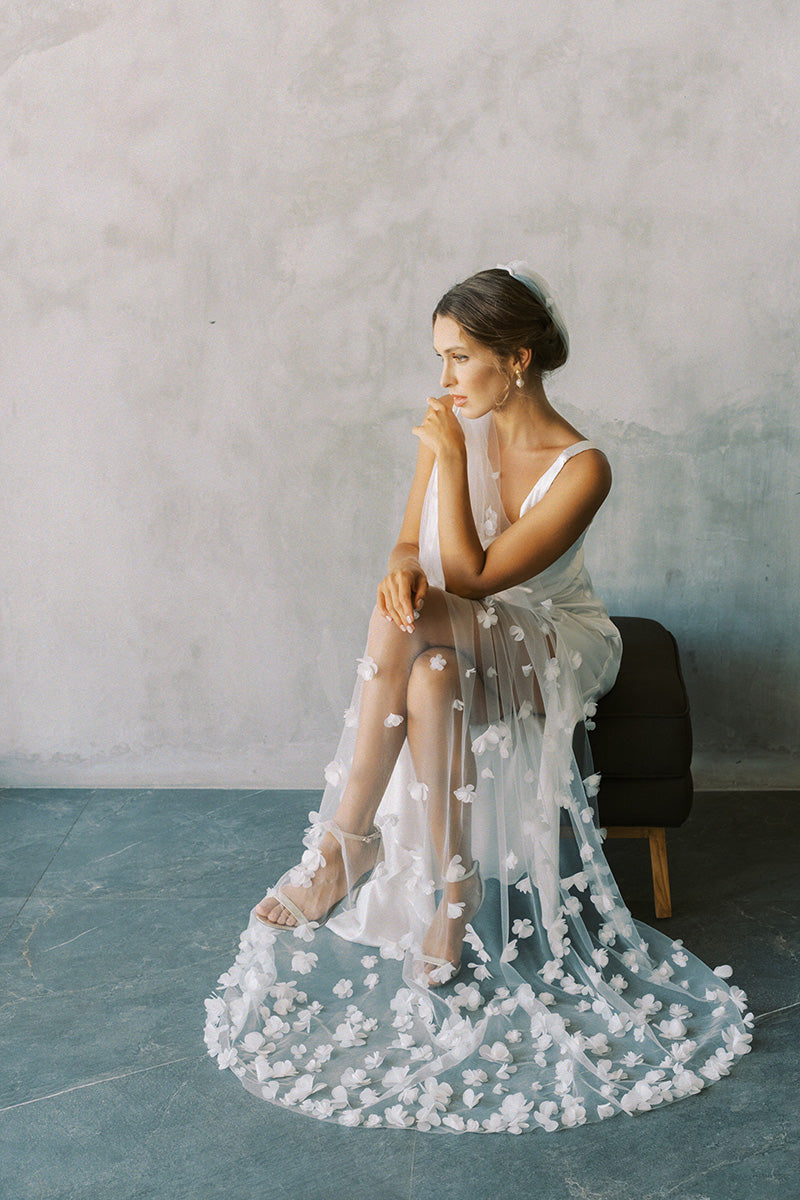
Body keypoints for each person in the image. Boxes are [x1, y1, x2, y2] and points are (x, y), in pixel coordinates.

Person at [204, 264, 752, 1134]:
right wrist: (394, 575)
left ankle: (345, 849)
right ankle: (450, 899)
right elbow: (408, 549)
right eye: (441, 359)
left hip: (555, 634)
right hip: (459, 633)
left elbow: (475, 576)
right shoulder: (459, 423)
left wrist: (447, 458)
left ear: (518, 359)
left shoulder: (583, 466)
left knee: (410, 630)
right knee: (419, 661)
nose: (446, 380)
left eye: (461, 359)